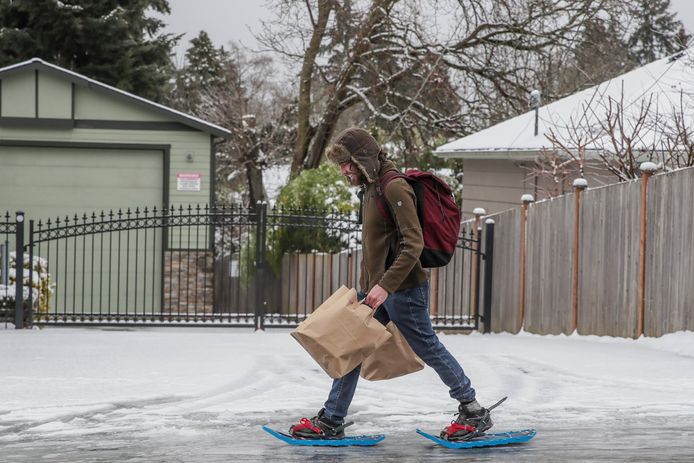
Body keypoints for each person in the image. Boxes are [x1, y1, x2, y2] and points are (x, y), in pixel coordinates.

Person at [288, 127, 492, 441]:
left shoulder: (394, 187)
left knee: (429, 348)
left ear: (363, 159)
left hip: (403, 290)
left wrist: (385, 286)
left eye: (347, 164)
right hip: (375, 292)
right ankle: (331, 419)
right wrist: (371, 287)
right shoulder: (370, 189)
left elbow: (414, 243)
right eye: (342, 164)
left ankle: (473, 410)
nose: (344, 170)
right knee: (351, 347)